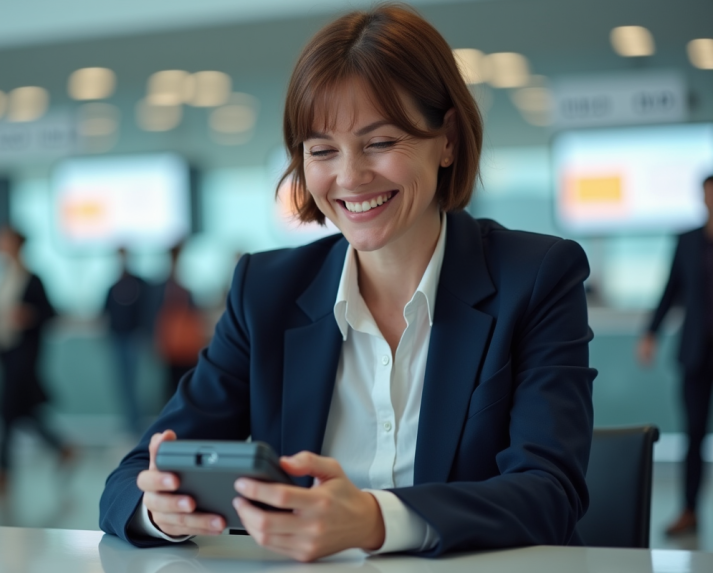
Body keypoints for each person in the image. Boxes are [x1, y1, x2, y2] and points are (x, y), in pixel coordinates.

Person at [100, 4, 595, 561]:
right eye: (322, 151)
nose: (351, 177)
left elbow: (549, 492)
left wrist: (373, 520)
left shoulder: (536, 278)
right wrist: (160, 509)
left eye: (380, 142)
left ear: (448, 139)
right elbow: (131, 478)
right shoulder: (266, 291)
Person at [637, 174, 713, 537]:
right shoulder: (687, 240)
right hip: (697, 352)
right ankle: (688, 509)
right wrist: (650, 332)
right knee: (694, 433)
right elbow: (671, 289)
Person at [0, 227, 73, 491]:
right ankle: (63, 447)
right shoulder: (2, 277)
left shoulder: (31, 279)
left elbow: (50, 312)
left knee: (6, 411)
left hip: (23, 354)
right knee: (22, 413)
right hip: (5, 352)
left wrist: (29, 315)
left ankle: (1, 472)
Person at [103, 247, 153, 435]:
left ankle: (137, 424)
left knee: (136, 384)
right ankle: (130, 424)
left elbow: (148, 311)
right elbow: (105, 312)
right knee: (122, 384)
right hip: (117, 338)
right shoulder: (113, 286)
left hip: (134, 339)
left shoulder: (140, 284)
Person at [153, 243, 206, 401]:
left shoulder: (183, 288)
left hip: (184, 345)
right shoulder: (165, 288)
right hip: (171, 345)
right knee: (173, 384)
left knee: (184, 384)